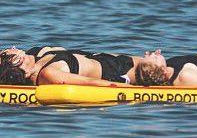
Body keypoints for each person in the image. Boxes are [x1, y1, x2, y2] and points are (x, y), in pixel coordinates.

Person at [0, 47, 142, 86]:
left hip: (110, 58)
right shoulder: (49, 74)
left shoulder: (35, 54)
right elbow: (92, 83)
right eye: (8, 51)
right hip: (125, 72)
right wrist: (135, 92)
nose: (14, 47)